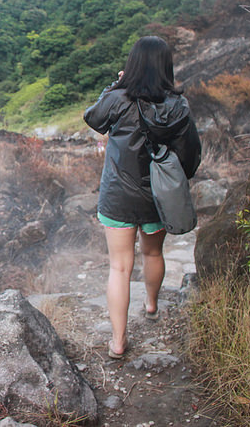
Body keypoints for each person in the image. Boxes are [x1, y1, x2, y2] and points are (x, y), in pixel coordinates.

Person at [83, 36, 201, 359]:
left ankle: (118, 343)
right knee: (153, 254)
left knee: (120, 268)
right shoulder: (178, 105)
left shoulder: (119, 98)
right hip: (158, 198)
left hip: (118, 195)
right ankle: (151, 305)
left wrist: (114, 84)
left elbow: (92, 118)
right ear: (166, 66)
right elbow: (191, 156)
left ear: (132, 64)